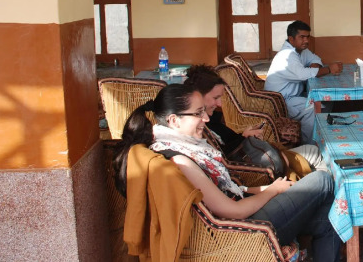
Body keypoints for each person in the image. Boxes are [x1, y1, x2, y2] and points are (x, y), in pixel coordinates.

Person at [114, 84, 341, 262]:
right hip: (239, 233)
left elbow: (227, 191)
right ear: (174, 120)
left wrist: (266, 188)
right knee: (322, 180)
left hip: (241, 216)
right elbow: (233, 210)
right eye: (198, 113)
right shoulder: (180, 160)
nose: (206, 119)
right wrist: (273, 191)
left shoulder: (178, 146)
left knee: (331, 218)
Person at [184, 63, 328, 176]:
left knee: (313, 154)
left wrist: (244, 136)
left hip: (256, 156)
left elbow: (226, 147)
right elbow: (226, 159)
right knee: (315, 155)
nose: (220, 104)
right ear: (198, 95)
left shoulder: (211, 120)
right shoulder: (201, 127)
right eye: (216, 98)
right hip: (257, 167)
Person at [264, 20, 343, 144]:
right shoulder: (286, 56)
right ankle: (309, 145)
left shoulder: (301, 50)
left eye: (307, 37)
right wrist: (329, 69)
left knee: (326, 100)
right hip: (280, 102)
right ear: (291, 39)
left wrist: (314, 66)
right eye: (302, 37)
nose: (306, 40)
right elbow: (302, 74)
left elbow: (315, 59)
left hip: (294, 97)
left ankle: (321, 135)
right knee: (313, 107)